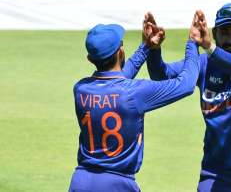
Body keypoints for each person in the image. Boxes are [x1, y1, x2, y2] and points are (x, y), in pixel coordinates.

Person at [146, 3, 231, 191]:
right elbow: (162, 76)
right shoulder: (203, 63)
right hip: (215, 169)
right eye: (225, 32)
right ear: (214, 31)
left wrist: (210, 47)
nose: (230, 39)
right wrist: (153, 50)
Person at [68, 11, 204, 192]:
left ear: (90, 59)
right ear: (121, 51)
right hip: (118, 184)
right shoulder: (134, 92)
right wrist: (192, 44)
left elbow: (115, 81)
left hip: (81, 181)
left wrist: (146, 47)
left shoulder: (80, 89)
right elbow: (186, 85)